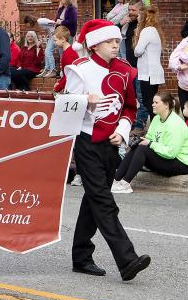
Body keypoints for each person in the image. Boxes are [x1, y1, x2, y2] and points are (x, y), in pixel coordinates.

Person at [55, 19, 150, 281]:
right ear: (95, 44)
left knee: (94, 199)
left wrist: (121, 130)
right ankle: (127, 259)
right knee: (103, 201)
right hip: (87, 141)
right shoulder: (79, 70)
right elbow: (65, 108)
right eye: (110, 41)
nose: (116, 45)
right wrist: (85, 100)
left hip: (111, 143)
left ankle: (81, 256)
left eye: (118, 41)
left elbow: (130, 107)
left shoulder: (123, 70)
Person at [112, 92, 188, 193]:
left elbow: (171, 153)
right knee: (138, 146)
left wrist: (150, 144)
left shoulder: (176, 124)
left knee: (143, 149)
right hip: (164, 157)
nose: (153, 104)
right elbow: (150, 138)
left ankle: (126, 183)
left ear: (166, 105)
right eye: (153, 102)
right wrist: (142, 140)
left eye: (156, 102)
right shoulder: (156, 118)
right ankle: (116, 180)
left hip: (180, 163)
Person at [133, 3, 165, 131]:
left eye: (140, 15)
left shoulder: (146, 31)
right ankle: (155, 128)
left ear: (145, 17)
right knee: (152, 102)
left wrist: (136, 36)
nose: (138, 18)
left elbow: (137, 51)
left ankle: (156, 128)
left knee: (148, 103)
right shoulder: (155, 30)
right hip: (154, 72)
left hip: (148, 73)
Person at [169, 32, 188, 109]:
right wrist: (179, 67)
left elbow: (185, 57)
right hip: (183, 87)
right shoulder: (185, 41)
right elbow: (171, 62)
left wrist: (183, 55)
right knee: (185, 114)